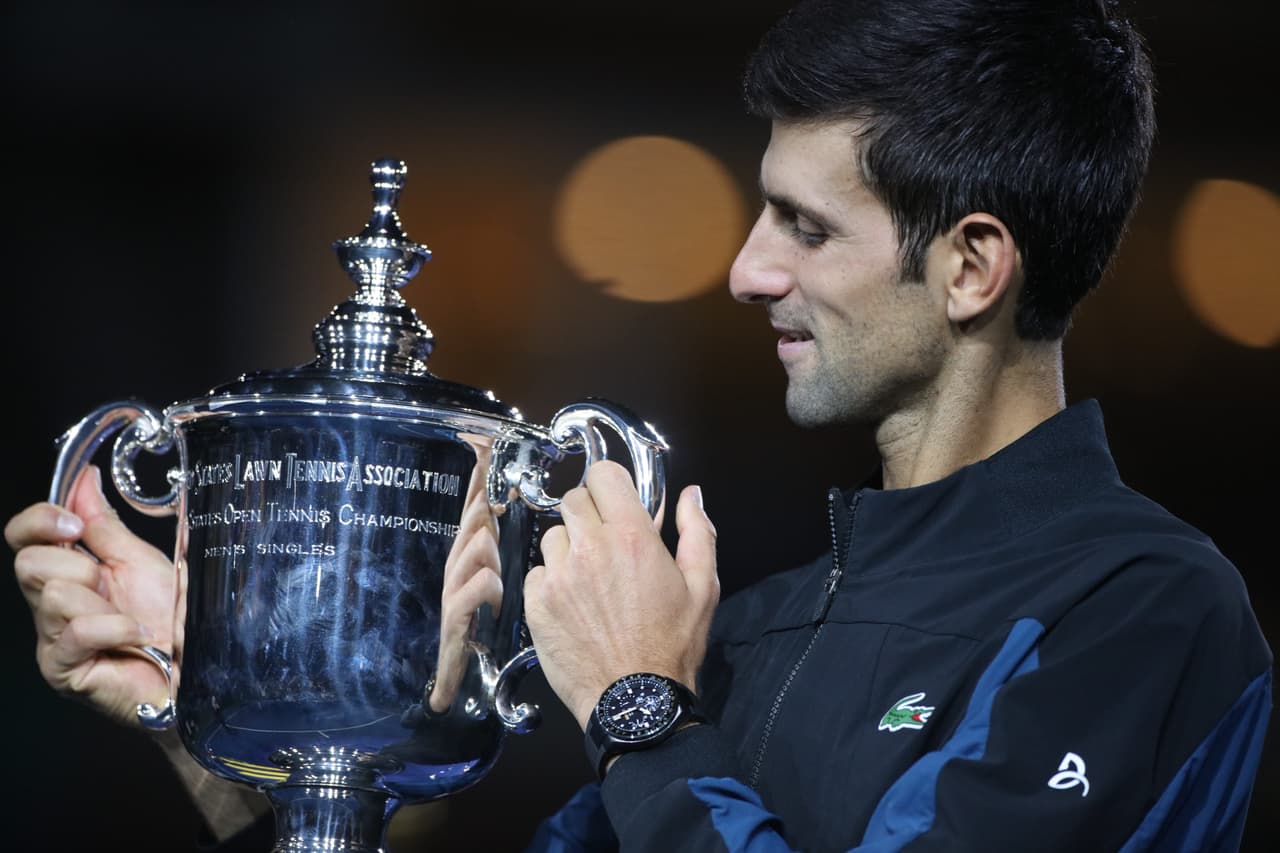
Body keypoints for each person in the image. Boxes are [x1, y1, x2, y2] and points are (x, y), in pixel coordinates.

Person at [6, 1, 1272, 851]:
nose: (744, 271)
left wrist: (635, 706)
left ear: (969, 268)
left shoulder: (1145, 606)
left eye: (805, 227)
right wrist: (223, 702)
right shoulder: (753, 626)